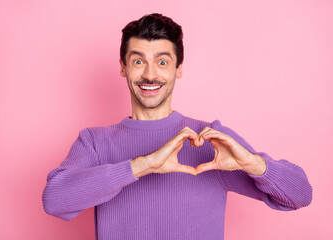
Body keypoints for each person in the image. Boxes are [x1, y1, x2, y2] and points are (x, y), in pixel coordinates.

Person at [42, 13, 312, 240]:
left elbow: (300, 195)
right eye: (138, 61)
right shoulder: (94, 142)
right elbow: (54, 200)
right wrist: (142, 166)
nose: (150, 74)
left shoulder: (209, 141)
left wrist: (254, 164)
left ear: (178, 69)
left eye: (162, 62)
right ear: (123, 67)